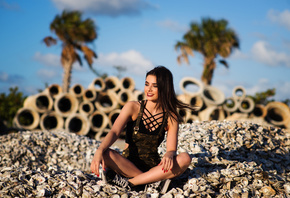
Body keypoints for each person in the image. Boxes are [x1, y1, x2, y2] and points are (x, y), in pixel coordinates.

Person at [90, 66, 195, 192]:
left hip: (153, 168)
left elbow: (172, 149)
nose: (148, 89)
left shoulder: (170, 117)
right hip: (127, 165)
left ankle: (132, 183)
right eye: (146, 84)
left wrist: (169, 154)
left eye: (154, 86)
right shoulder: (133, 107)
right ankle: (151, 183)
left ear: (164, 88)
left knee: (185, 158)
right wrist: (99, 150)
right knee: (106, 153)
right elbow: (114, 132)